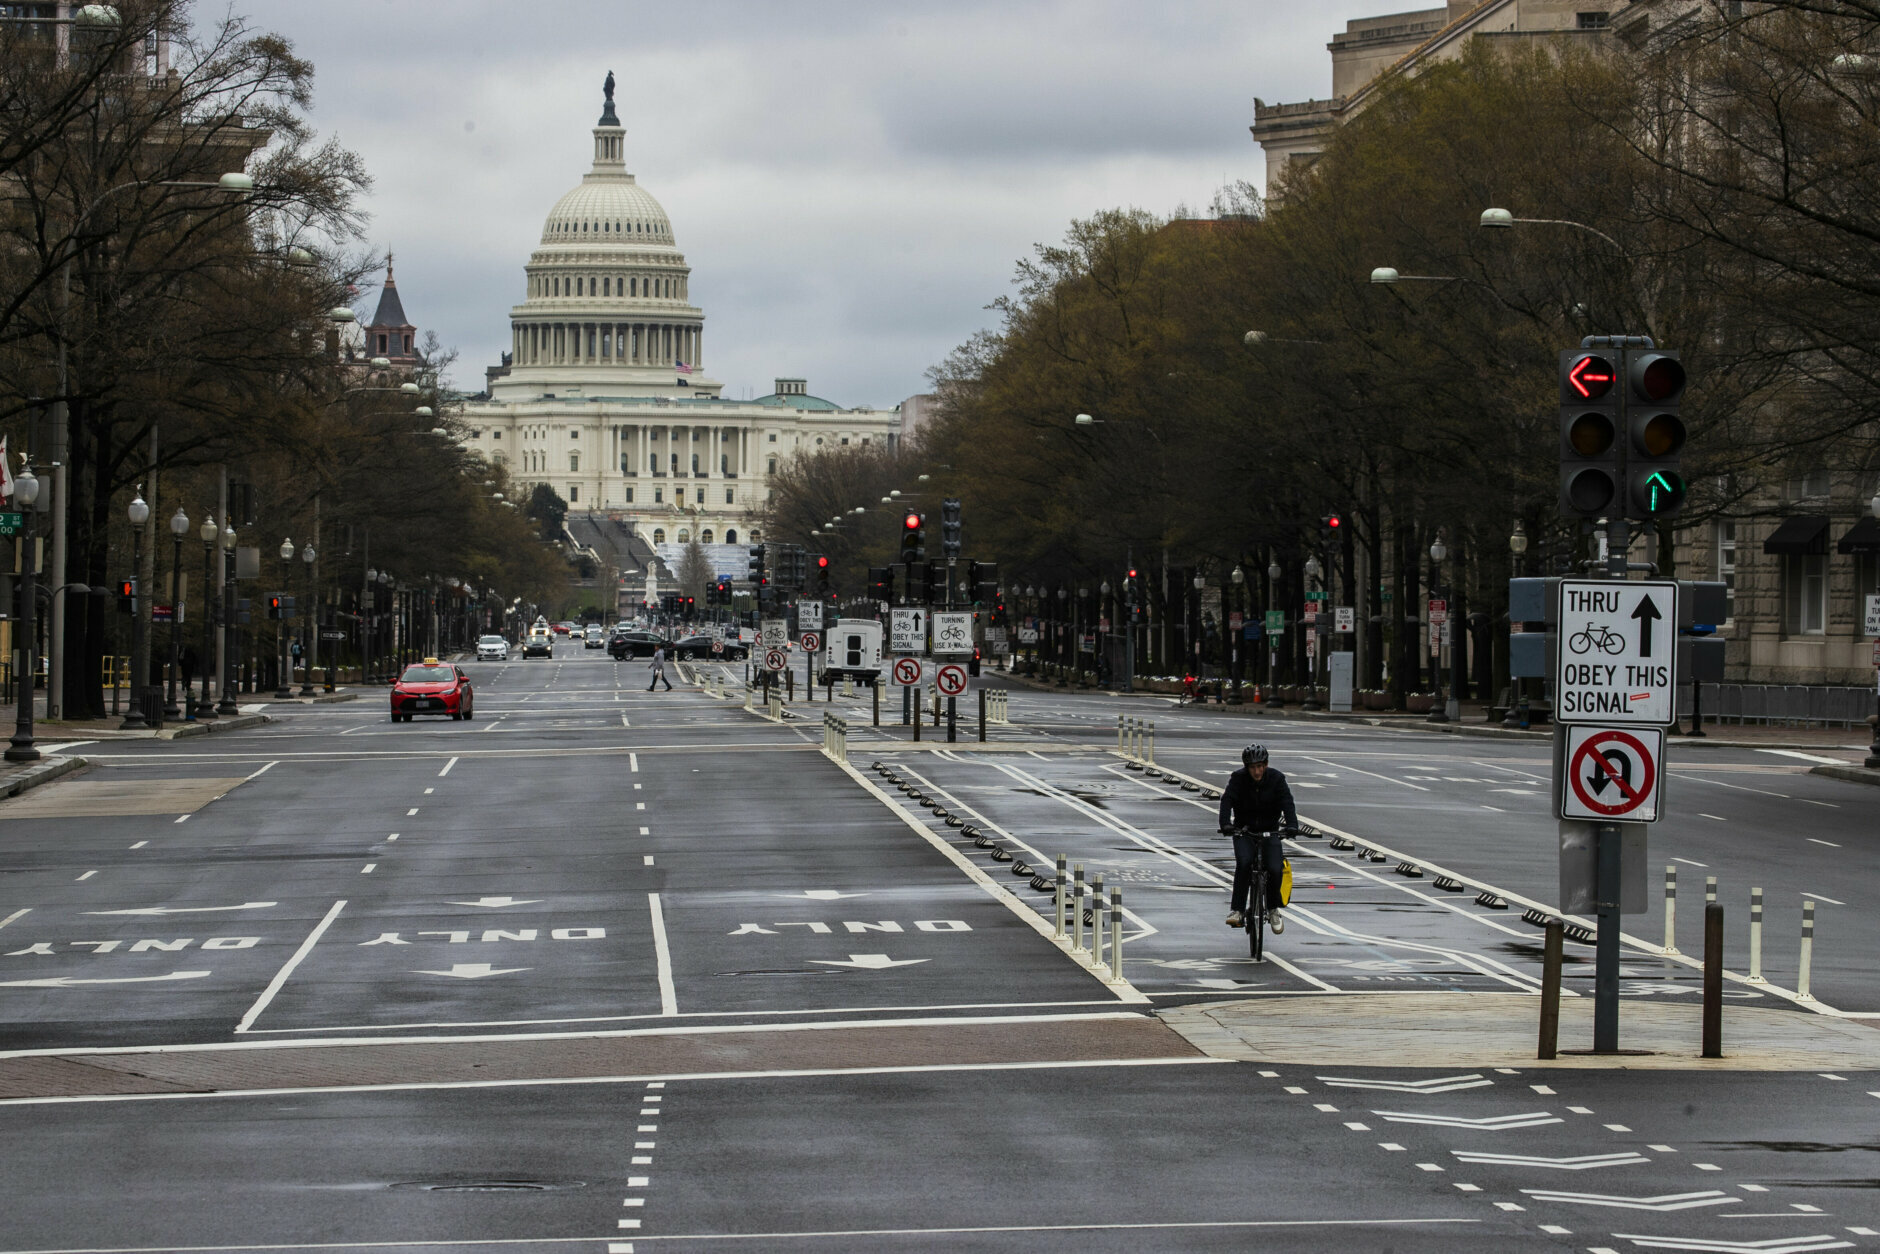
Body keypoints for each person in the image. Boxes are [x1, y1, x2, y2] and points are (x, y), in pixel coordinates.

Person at [1216, 742, 1297, 933]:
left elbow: (1287, 802)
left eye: (1260, 766)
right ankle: (1237, 910)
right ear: (1247, 767)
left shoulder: (1277, 779)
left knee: (1275, 868)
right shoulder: (1238, 779)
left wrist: (1292, 825)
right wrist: (1226, 824)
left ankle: (1273, 909)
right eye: (1252, 767)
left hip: (1270, 831)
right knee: (1244, 863)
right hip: (1244, 831)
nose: (1257, 771)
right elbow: (1227, 800)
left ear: (1266, 765)